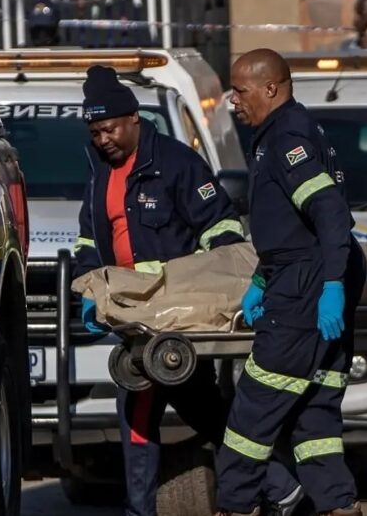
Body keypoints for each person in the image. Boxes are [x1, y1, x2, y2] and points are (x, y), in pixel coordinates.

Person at [72, 66, 302, 516]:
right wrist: (88, 288)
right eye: (95, 132)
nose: (103, 139)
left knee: (192, 409)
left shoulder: (177, 164)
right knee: (154, 413)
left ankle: (278, 486)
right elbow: (88, 241)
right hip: (134, 318)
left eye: (109, 129)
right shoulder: (100, 173)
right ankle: (276, 487)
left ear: (133, 118)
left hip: (181, 317)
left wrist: (226, 290)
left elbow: (222, 230)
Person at [215, 49, 366, 516]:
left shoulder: (287, 138)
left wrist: (331, 283)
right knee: (313, 411)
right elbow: (291, 223)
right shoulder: (282, 134)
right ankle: (339, 506)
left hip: (308, 281)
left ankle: (235, 506)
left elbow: (329, 211)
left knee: (253, 411)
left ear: (271, 88)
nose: (232, 101)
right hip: (306, 273)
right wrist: (263, 276)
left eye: (240, 91)